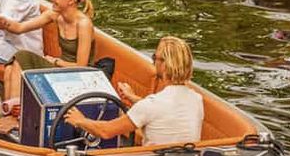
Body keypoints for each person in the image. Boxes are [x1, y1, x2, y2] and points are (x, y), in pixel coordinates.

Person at [64, 36, 204, 146]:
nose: (153, 62)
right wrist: (133, 98)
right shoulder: (196, 100)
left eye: (155, 58)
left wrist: (80, 120)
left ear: (164, 65)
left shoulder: (151, 105)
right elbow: (164, 110)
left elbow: (105, 131)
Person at [0, 0, 96, 100]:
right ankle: (9, 112)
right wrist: (0, 21)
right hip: (59, 68)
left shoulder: (83, 24)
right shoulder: (55, 15)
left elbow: (81, 67)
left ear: (71, 0)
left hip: (77, 76)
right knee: (10, 67)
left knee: (21, 57)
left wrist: (56, 61)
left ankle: (14, 110)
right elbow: (19, 28)